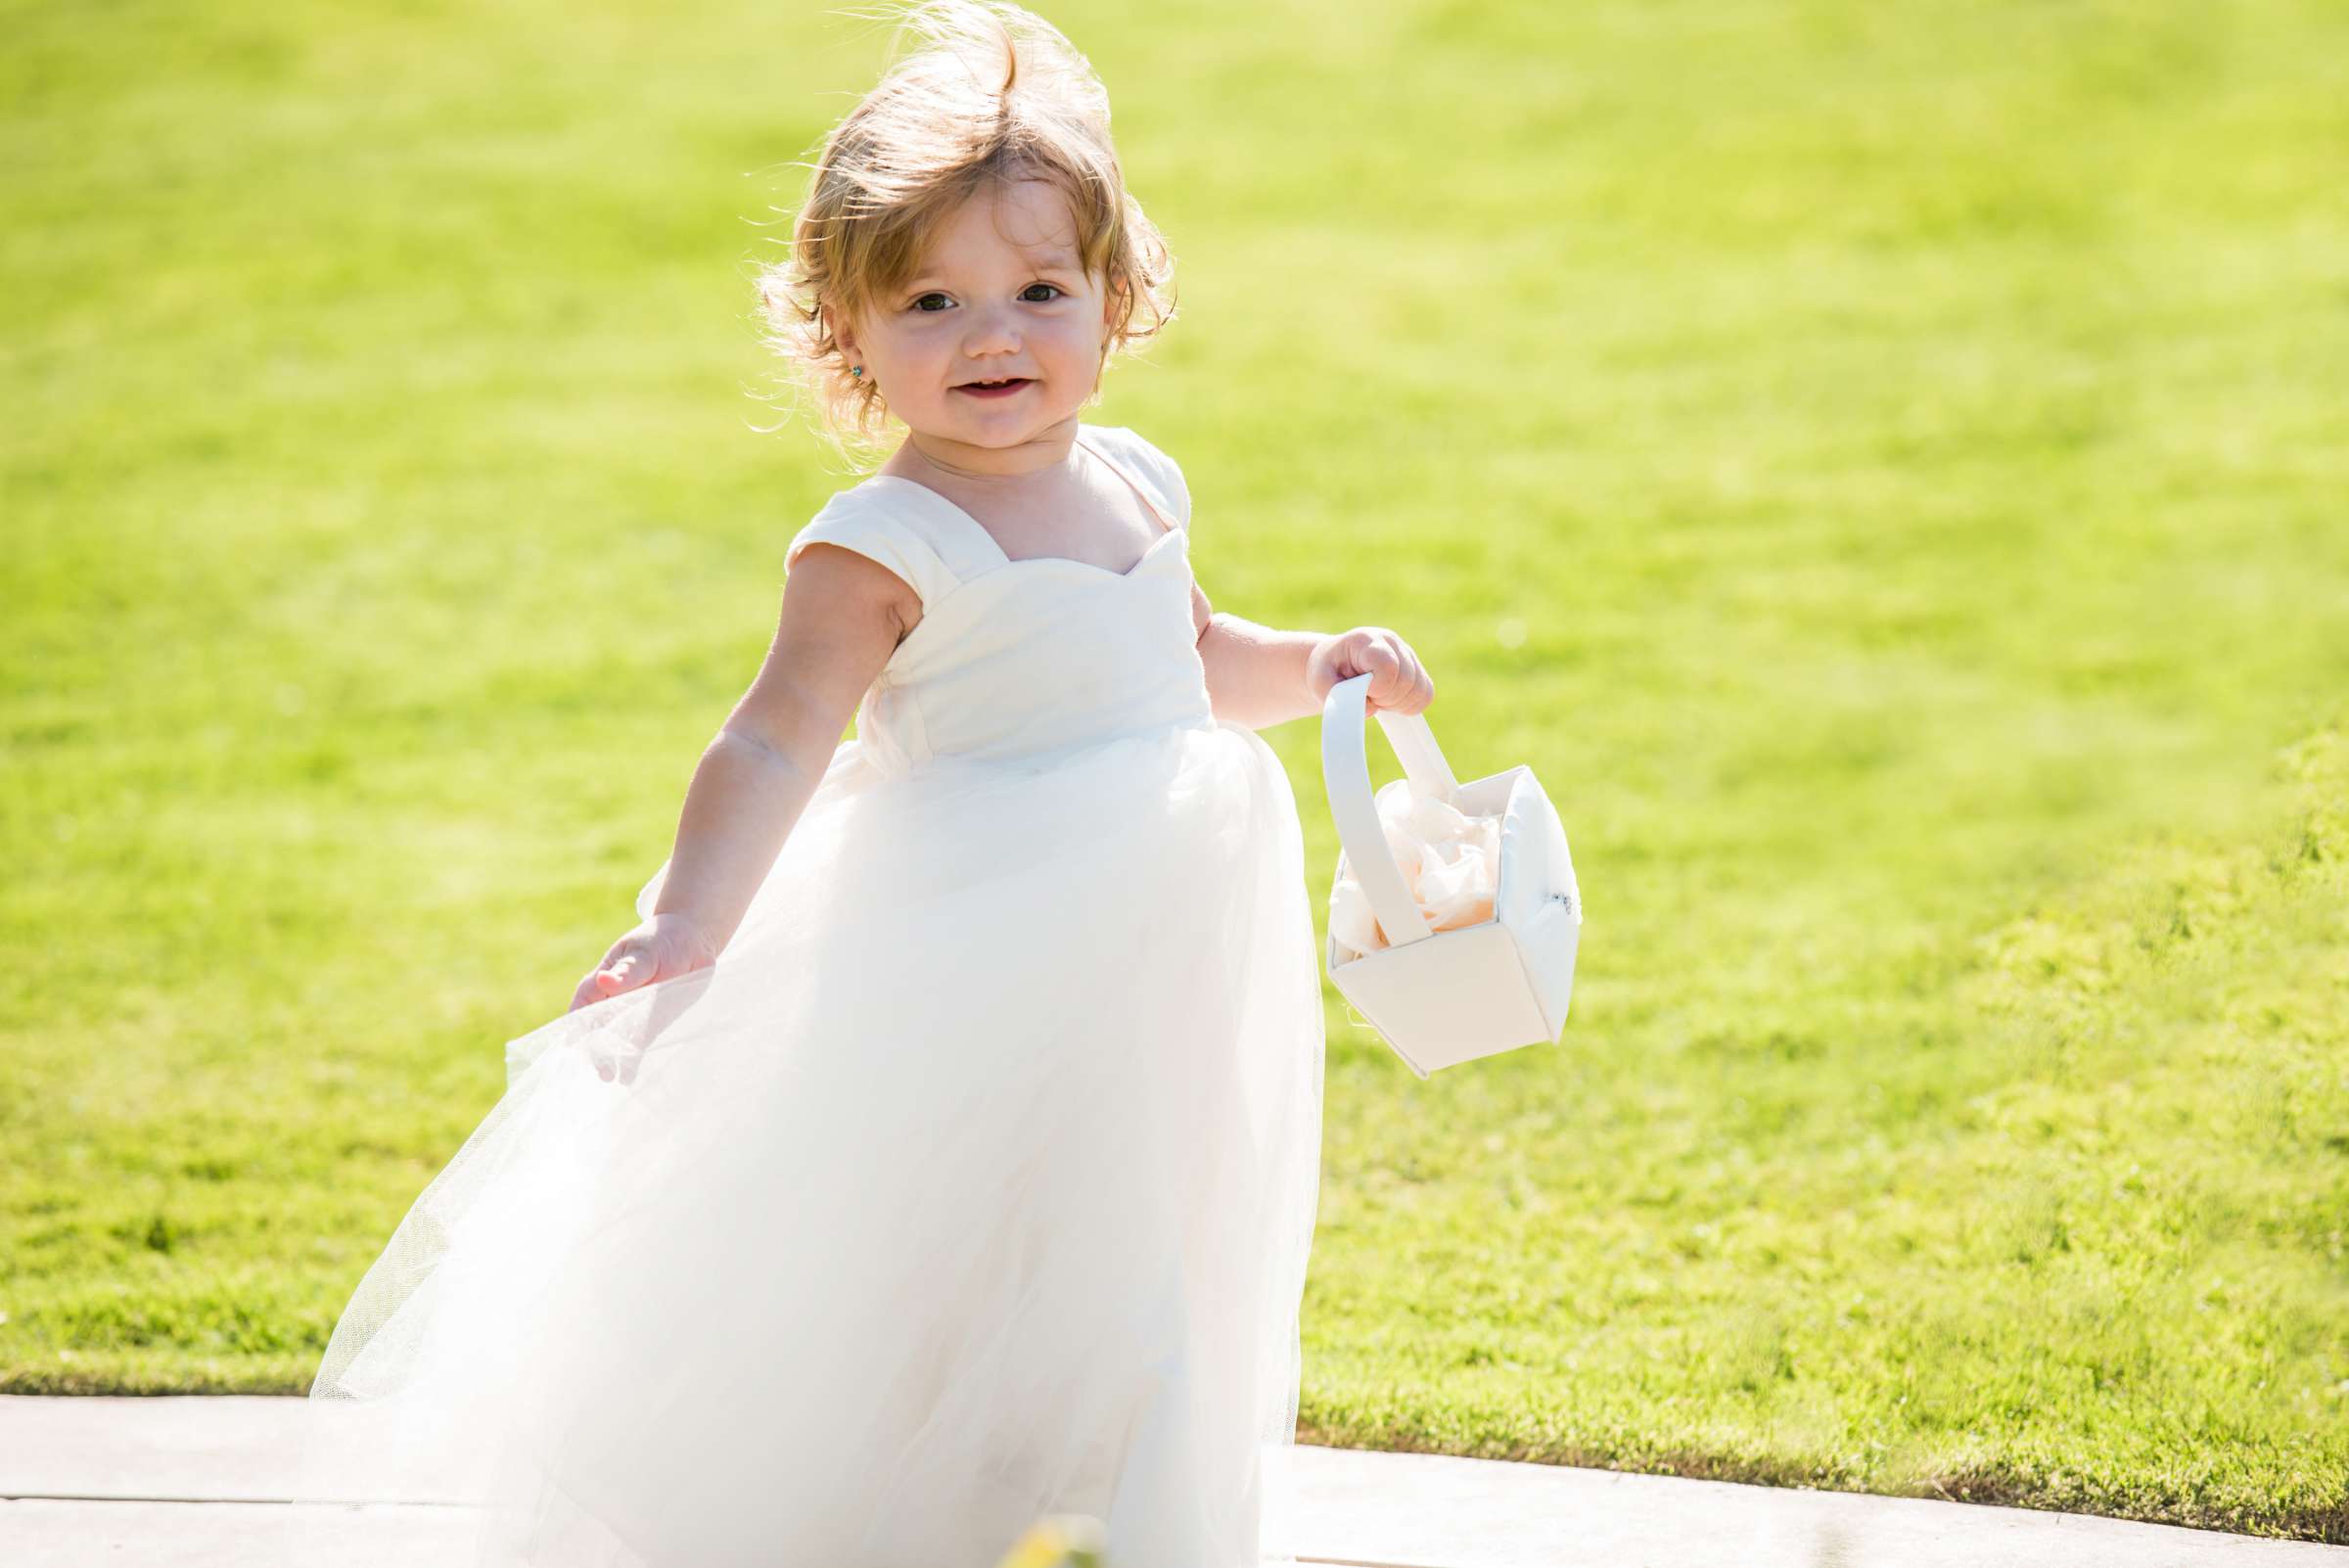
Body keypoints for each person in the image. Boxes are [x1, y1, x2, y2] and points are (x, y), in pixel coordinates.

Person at [280, 3, 1433, 1564]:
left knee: (1148, 1245)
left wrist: (1317, 669)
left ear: (1114, 298)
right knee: (942, 1269)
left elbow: (1187, 651)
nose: (994, 339)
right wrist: (687, 920)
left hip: (1147, 965)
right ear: (849, 334)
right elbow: (772, 737)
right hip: (969, 963)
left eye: (1040, 291)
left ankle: (1153, 1519)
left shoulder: (1131, 479)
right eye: (933, 303)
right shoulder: (881, 543)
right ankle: (906, 1523)